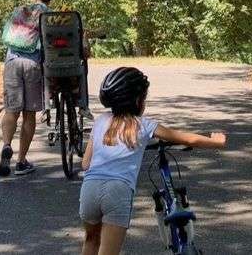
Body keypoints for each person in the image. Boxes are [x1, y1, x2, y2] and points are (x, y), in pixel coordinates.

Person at [79, 67, 227, 255]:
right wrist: (216, 141)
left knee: (91, 240)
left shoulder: (101, 121)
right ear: (138, 101)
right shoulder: (143, 124)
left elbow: (85, 164)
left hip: (89, 188)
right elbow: (186, 138)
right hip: (117, 190)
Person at [0, 0, 54, 177]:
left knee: (11, 111)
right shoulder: (48, 15)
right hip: (32, 66)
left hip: (12, 62)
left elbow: (6, 33)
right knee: (29, 114)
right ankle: (21, 161)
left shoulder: (20, 10)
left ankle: (6, 145)